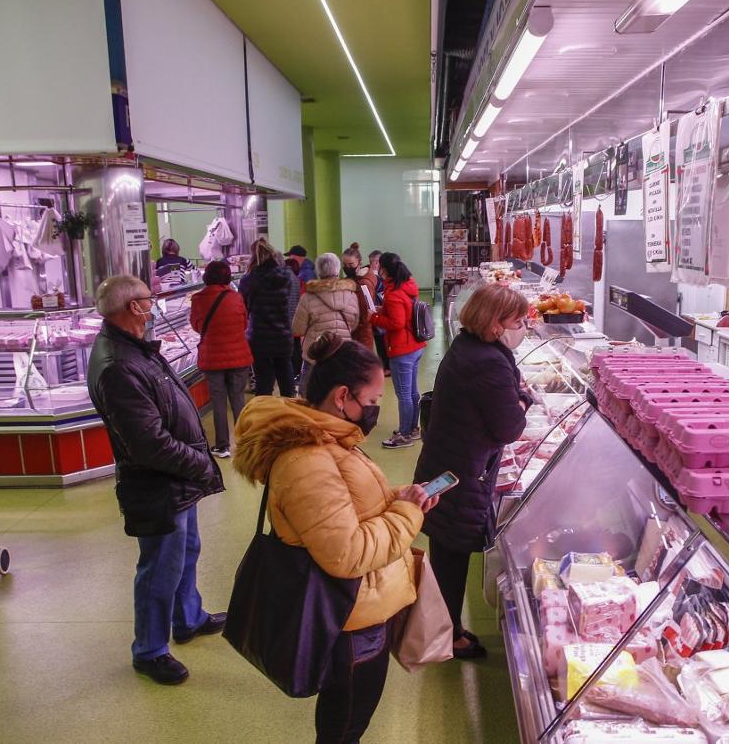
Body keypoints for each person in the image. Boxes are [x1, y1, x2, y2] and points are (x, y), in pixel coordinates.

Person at [232, 332, 438, 744]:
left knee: (345, 722)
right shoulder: (307, 459)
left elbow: (347, 506)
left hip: (359, 610)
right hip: (349, 619)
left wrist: (400, 498)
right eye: (373, 399)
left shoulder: (329, 438)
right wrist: (407, 513)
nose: (376, 408)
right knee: (344, 729)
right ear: (343, 396)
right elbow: (347, 552)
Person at [87, 275, 226, 686]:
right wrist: (201, 464)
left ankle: (188, 617)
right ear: (133, 307)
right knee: (159, 568)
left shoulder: (134, 348)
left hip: (177, 481)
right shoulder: (118, 365)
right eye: (149, 300)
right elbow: (150, 445)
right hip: (158, 484)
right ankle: (149, 650)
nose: (154, 305)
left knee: (186, 551)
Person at [414, 284, 532, 660]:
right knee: (451, 557)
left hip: (447, 466)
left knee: (446, 555)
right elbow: (510, 427)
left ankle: (445, 627)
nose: (524, 327)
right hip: (462, 473)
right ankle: (447, 636)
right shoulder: (489, 362)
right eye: (519, 321)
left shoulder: (469, 347)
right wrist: (523, 399)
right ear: (496, 324)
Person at [189, 260, 253, 458]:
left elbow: (196, 326)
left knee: (218, 401)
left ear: (207, 276)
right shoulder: (236, 297)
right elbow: (244, 324)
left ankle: (222, 445)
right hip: (239, 356)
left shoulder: (199, 299)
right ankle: (244, 444)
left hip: (212, 357)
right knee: (238, 399)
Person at [369, 252, 427, 449]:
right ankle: (412, 428)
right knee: (412, 391)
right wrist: (382, 311)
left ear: (384, 270)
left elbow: (397, 322)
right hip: (415, 345)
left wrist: (374, 318)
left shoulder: (393, 294)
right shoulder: (408, 285)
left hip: (401, 349)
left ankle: (404, 434)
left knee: (403, 394)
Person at [292, 252, 360, 393]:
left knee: (308, 398)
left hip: (314, 356)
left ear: (318, 271)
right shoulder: (352, 295)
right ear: (337, 269)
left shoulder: (307, 298)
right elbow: (353, 324)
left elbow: (297, 330)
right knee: (338, 397)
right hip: (342, 353)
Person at [239, 238, 297, 398]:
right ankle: (291, 417)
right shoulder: (286, 276)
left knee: (263, 386)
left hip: (259, 338)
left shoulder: (248, 280)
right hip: (283, 335)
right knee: (287, 383)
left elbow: (243, 306)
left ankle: (265, 418)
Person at [343, 243, 377, 353]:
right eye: (344, 264)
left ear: (360, 264)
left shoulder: (363, 284)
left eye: (351, 264)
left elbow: (365, 314)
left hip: (361, 335)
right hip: (355, 333)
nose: (347, 268)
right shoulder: (353, 280)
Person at [368, 251, 390, 374]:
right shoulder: (372, 276)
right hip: (377, 310)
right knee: (380, 340)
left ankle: (387, 365)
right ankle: (385, 365)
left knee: (383, 340)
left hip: (381, 310)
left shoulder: (379, 277)